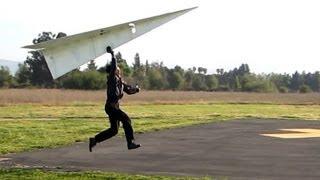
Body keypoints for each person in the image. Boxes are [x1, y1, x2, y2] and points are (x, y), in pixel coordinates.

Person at [89, 46, 141, 152]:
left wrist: (136, 90)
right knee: (126, 120)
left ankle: (95, 140)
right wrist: (112, 55)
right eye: (117, 68)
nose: (118, 69)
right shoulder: (112, 79)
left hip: (114, 107)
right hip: (111, 107)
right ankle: (130, 142)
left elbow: (129, 91)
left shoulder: (120, 82)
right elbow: (114, 66)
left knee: (114, 130)